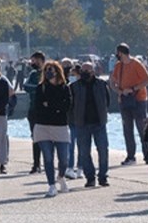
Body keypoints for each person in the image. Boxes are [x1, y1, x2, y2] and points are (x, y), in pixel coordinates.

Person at [31, 60, 73, 198]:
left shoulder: (64, 88)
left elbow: (67, 106)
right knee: (48, 158)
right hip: (43, 126)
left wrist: (50, 105)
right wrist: (54, 107)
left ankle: (61, 176)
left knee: (64, 159)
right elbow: (38, 106)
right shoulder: (41, 88)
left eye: (51, 69)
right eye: (46, 70)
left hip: (60, 126)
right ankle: (51, 185)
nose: (49, 72)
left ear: (57, 71)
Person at [69, 61, 110, 187]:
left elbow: (107, 101)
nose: (86, 73)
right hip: (82, 124)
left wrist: (103, 114)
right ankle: (90, 177)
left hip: (99, 122)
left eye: (89, 70)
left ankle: (103, 177)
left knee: (103, 150)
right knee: (84, 152)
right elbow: (70, 105)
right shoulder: (74, 86)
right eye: (84, 70)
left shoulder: (101, 84)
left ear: (93, 71)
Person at [111, 43, 148, 165]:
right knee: (127, 129)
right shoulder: (119, 66)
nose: (116, 55)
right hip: (124, 100)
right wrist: (119, 91)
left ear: (122, 53)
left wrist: (133, 89)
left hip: (139, 100)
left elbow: (147, 80)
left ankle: (147, 155)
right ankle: (131, 156)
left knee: (142, 128)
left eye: (117, 52)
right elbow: (112, 82)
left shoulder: (136, 64)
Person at [23, 51, 47, 175]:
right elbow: (25, 86)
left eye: (34, 61)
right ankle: (36, 164)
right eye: (32, 61)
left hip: (47, 110)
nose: (32, 63)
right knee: (35, 137)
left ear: (41, 60)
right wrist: (38, 88)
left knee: (49, 137)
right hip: (33, 109)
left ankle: (49, 162)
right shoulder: (33, 74)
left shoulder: (49, 71)